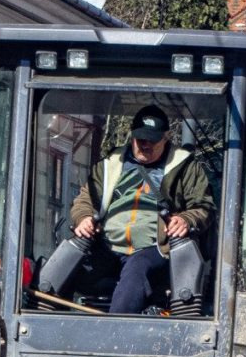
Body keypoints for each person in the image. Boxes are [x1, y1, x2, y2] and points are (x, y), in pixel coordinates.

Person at [39, 105, 214, 315]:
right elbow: (85, 199)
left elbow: (203, 207)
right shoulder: (110, 165)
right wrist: (84, 218)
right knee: (63, 264)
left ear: (166, 138)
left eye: (152, 140)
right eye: (140, 139)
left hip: (155, 247)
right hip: (107, 245)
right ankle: (47, 316)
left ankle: (114, 330)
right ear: (132, 136)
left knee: (137, 267)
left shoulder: (185, 167)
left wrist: (185, 219)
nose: (145, 145)